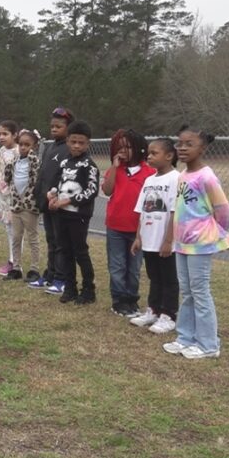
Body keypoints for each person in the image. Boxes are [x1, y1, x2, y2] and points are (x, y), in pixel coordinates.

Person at [163, 126, 229, 360]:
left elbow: (222, 210)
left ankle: (208, 344)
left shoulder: (207, 176)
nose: (182, 148)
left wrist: (219, 234)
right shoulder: (183, 176)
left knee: (200, 292)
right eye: (179, 143)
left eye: (189, 144)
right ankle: (185, 337)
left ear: (202, 148)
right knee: (187, 292)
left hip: (200, 243)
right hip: (182, 244)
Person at [102, 128, 155, 317]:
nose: (122, 151)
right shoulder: (115, 170)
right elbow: (107, 191)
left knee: (133, 268)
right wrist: (115, 168)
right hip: (115, 226)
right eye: (119, 147)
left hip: (138, 231)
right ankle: (119, 301)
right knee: (117, 266)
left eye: (127, 147)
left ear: (139, 148)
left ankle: (131, 299)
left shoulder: (150, 173)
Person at [131, 138, 180, 334]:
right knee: (154, 276)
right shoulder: (149, 180)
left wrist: (168, 240)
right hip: (149, 239)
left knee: (168, 278)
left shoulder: (176, 179)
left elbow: (175, 212)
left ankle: (168, 315)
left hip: (166, 242)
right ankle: (153, 310)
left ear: (169, 156)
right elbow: (142, 211)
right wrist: (138, 237)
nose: (149, 157)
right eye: (148, 153)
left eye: (154, 153)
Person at [48, 120, 99, 305]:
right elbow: (57, 184)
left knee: (80, 252)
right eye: (73, 141)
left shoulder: (89, 165)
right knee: (64, 251)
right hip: (61, 215)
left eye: (81, 142)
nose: (77, 146)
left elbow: (92, 191)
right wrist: (52, 195)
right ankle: (70, 287)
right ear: (68, 141)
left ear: (88, 144)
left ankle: (88, 290)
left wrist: (68, 200)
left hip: (79, 216)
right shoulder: (65, 162)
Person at [29, 107, 74, 293]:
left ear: (68, 127)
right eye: (52, 126)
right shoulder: (49, 147)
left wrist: (58, 197)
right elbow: (43, 174)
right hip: (46, 203)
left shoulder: (69, 148)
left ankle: (61, 278)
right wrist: (38, 195)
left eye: (59, 126)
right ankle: (50, 274)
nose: (54, 129)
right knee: (51, 240)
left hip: (60, 204)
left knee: (61, 242)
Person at [2, 129, 42, 281]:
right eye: (21, 144)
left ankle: (34, 269)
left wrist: (32, 154)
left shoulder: (35, 161)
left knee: (33, 237)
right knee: (16, 237)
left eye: (27, 145)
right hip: (16, 204)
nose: (23, 147)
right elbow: (8, 178)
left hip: (30, 205)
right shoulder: (15, 161)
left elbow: (36, 176)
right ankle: (16, 267)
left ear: (34, 146)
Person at [0, 121, 20, 276]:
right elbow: (2, 171)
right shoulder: (2, 150)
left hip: (15, 196)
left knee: (16, 230)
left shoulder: (19, 151)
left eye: (5, 134)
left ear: (14, 135)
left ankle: (15, 262)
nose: (1, 137)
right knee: (8, 227)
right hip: (3, 196)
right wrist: (0, 184)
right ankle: (12, 259)